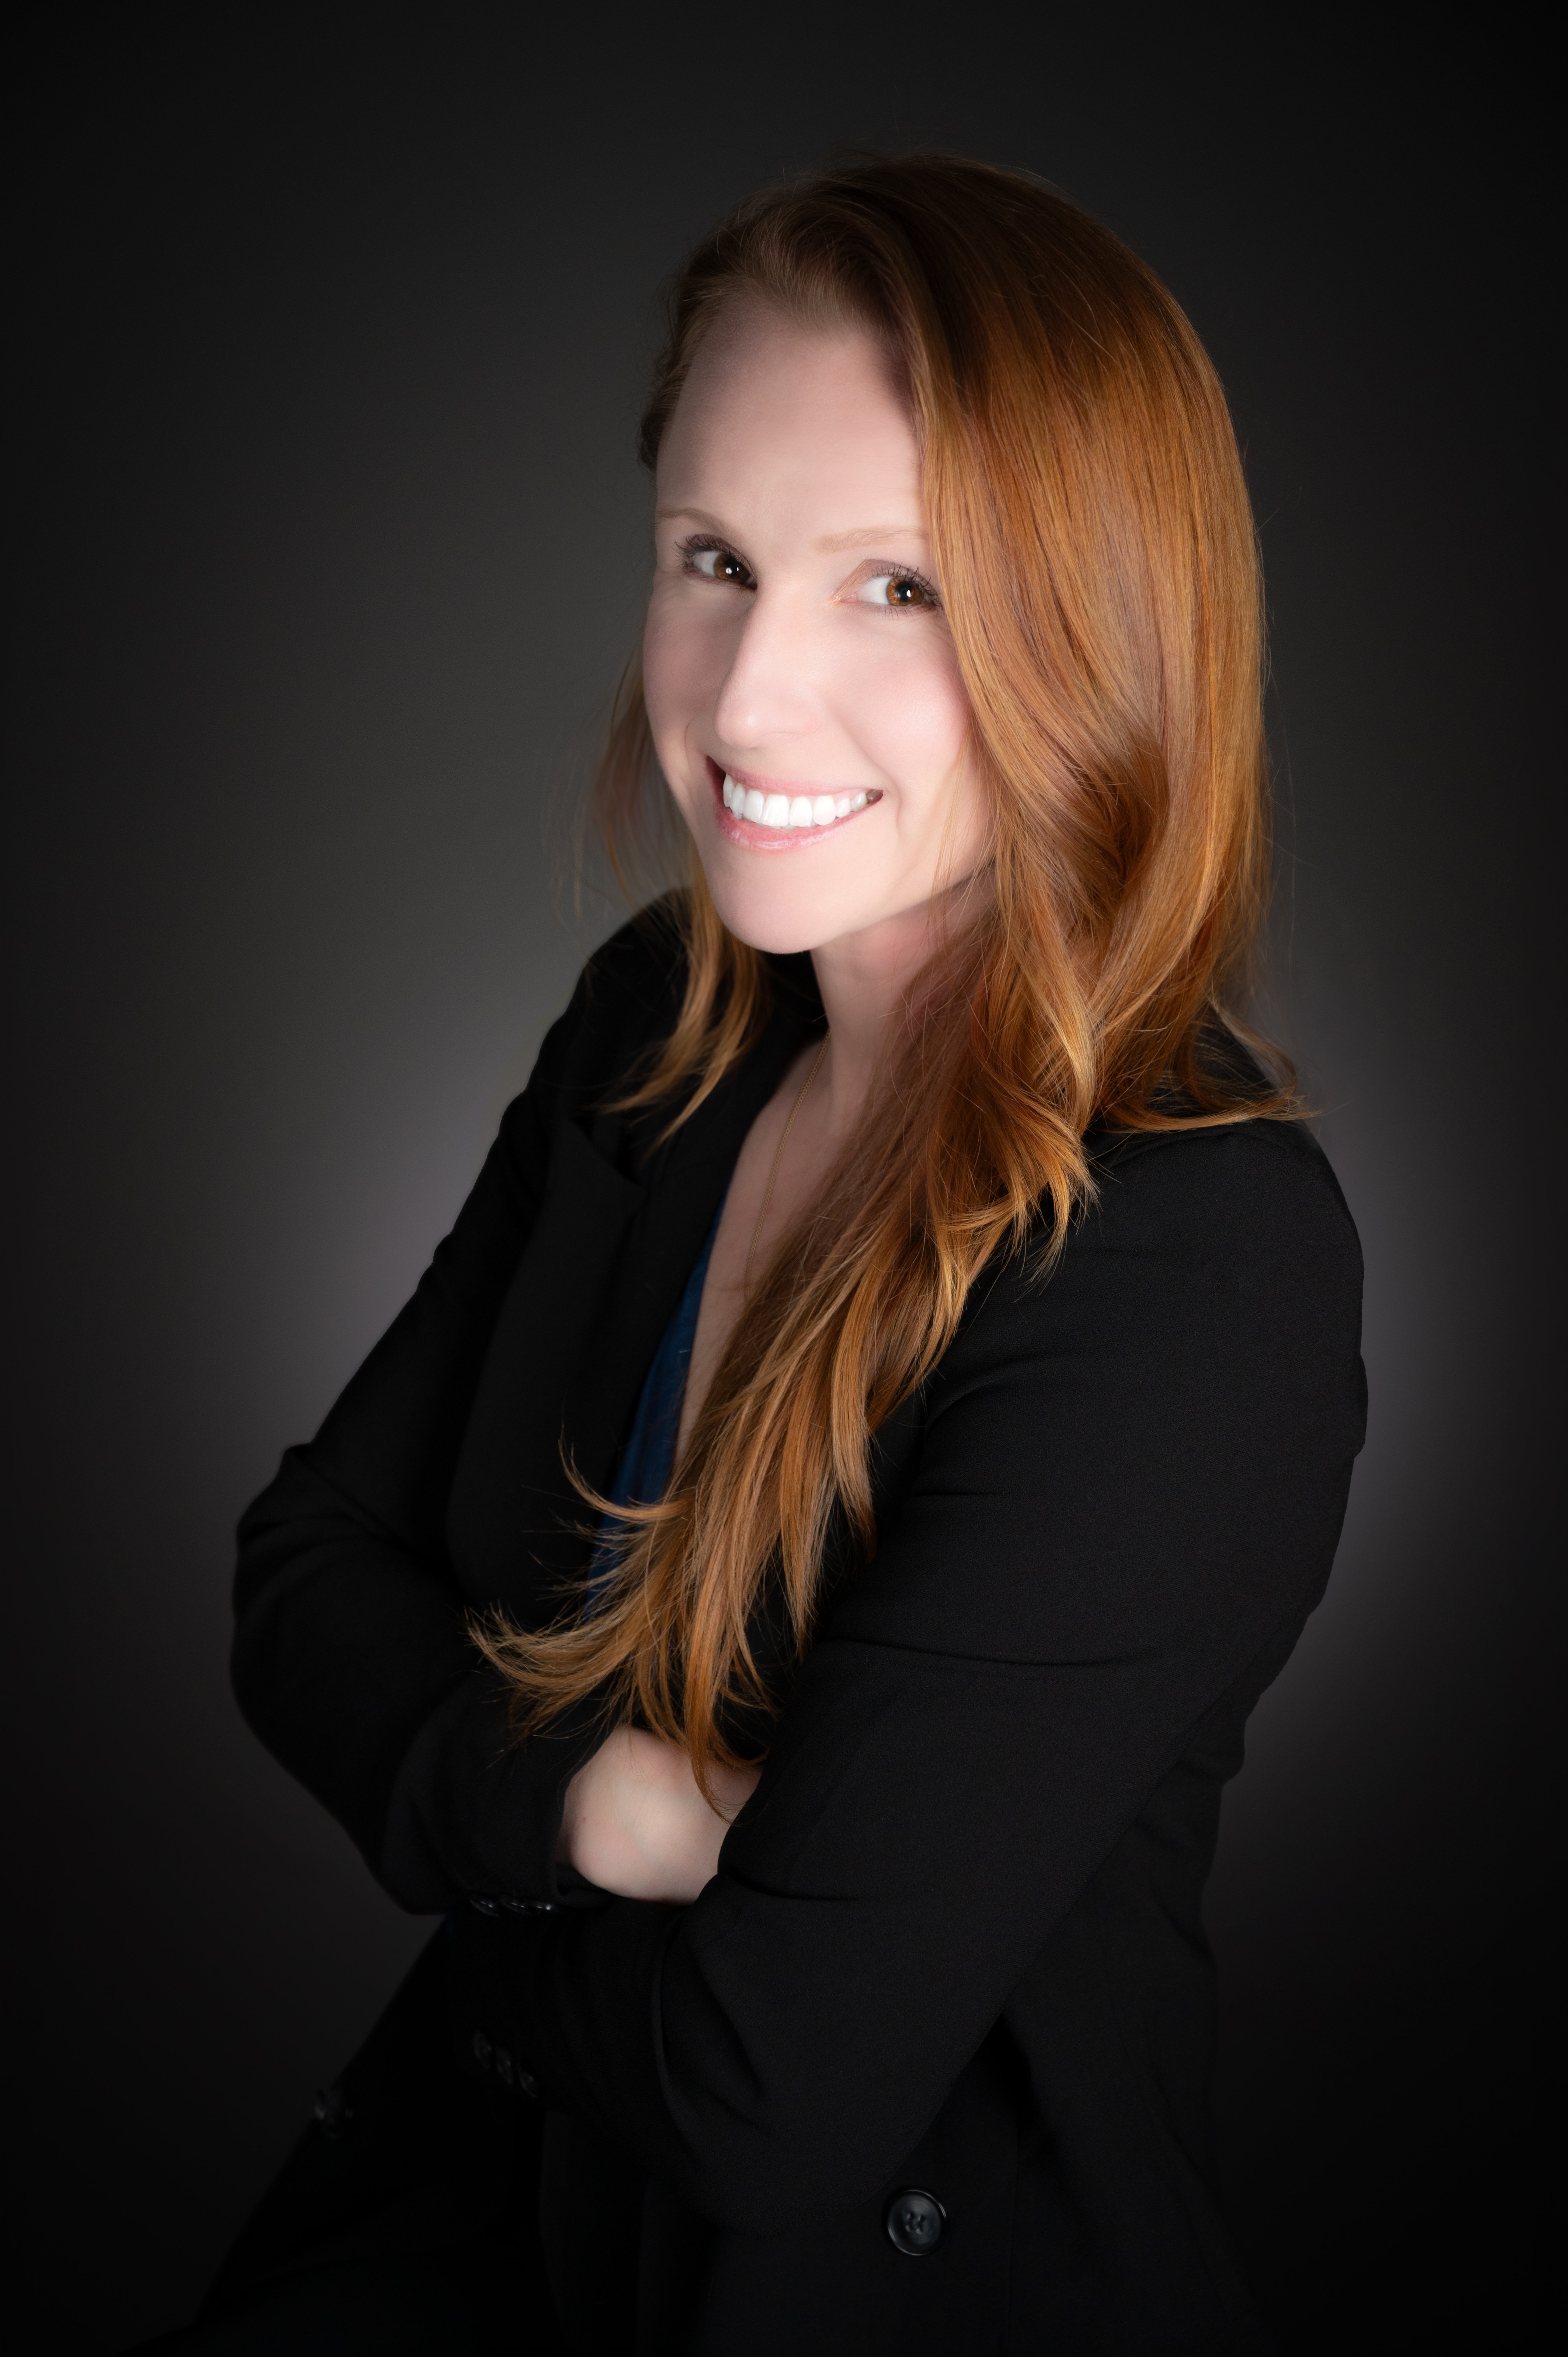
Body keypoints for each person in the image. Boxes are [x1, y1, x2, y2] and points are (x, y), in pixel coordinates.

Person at [151, 154, 1366, 2354]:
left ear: (1103, 626)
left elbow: (760, 2092)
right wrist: (592, 1811)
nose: (742, 699)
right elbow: (299, 1570)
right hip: (455, 2240)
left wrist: (442, 1821)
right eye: (711, 560)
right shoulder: (662, 1031)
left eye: (896, 587)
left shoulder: (1192, 1263)